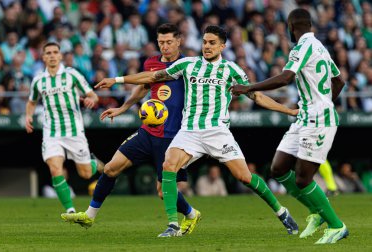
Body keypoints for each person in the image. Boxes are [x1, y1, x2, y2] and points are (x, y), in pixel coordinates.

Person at [94, 25, 299, 238]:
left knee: (244, 177)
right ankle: (173, 225)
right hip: (189, 131)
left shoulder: (232, 70)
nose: (207, 46)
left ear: (222, 46)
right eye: (204, 42)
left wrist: (289, 110)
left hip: (217, 132)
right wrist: (117, 80)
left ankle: (281, 211)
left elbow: (258, 96)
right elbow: (153, 77)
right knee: (168, 166)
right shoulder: (188, 64)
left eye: (212, 43)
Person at [61, 24, 201, 235]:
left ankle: (189, 215)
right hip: (148, 131)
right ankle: (89, 216)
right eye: (161, 42)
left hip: (173, 137)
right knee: (110, 168)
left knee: (163, 192)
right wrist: (123, 107)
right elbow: (144, 86)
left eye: (169, 42)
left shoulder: (188, 65)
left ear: (179, 41)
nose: (164, 46)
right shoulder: (151, 63)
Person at [230, 9, 348, 244]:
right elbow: (339, 81)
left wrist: (249, 87)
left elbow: (285, 77)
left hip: (318, 119)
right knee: (279, 169)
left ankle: (337, 226)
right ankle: (316, 213)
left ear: (291, 26)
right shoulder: (320, 47)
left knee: (304, 178)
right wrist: (320, 101)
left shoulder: (303, 48)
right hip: (305, 116)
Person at [26, 42, 104, 214]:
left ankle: (93, 162)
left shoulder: (72, 75)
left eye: (55, 52)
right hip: (51, 132)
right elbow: (32, 101)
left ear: (60, 56)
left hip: (74, 130)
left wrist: (91, 99)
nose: (52, 55)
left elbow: (92, 95)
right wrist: (28, 116)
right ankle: (70, 210)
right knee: (55, 169)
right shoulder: (38, 80)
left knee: (85, 173)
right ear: (43, 57)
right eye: (48, 53)